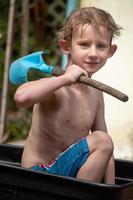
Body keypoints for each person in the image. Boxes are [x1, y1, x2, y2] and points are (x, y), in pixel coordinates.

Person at [14, 7, 122, 184]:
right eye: (84, 44)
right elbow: (21, 97)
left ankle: (82, 194)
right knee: (102, 140)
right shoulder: (55, 86)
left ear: (110, 51)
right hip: (39, 173)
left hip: (69, 174)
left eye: (101, 46)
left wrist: (111, 189)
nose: (93, 53)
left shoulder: (96, 94)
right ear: (66, 46)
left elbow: (106, 150)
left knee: (103, 140)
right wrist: (64, 79)